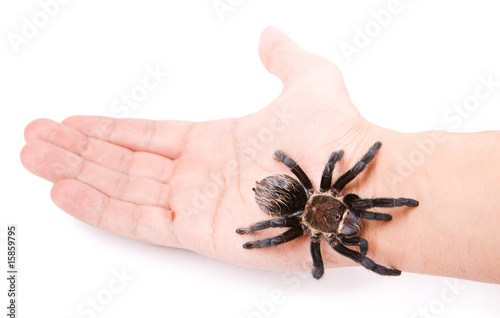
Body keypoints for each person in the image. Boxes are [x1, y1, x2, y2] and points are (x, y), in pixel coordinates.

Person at [20, 27, 500, 284]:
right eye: (336, 225)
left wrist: (378, 155)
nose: (342, 227)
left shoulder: (332, 203)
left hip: (292, 195)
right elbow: (314, 215)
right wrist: (252, 234)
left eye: (337, 221)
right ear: (328, 214)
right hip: (286, 198)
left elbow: (347, 166)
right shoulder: (316, 220)